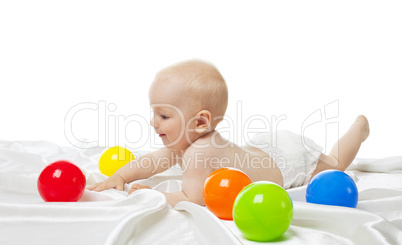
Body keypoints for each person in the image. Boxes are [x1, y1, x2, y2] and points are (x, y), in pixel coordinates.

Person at [88, 59, 370, 207]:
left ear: (200, 122)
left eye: (163, 115)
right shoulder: (189, 142)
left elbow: (192, 198)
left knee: (336, 164)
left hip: (288, 163)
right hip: (266, 149)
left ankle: (358, 128)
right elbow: (154, 160)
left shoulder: (200, 150)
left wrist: (154, 195)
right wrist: (121, 176)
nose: (153, 122)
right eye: (153, 113)